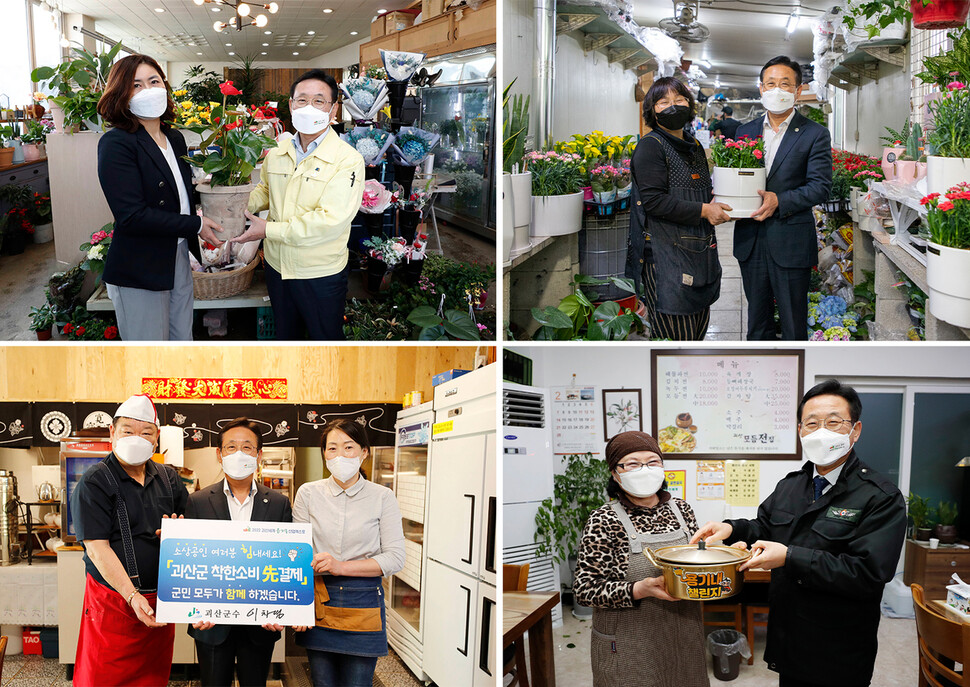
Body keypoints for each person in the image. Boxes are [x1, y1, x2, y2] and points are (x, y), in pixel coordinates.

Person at [691, 380, 907, 687]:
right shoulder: (791, 484)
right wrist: (732, 528)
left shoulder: (880, 496)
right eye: (812, 423)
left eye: (833, 422)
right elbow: (764, 527)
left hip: (839, 644)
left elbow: (870, 572)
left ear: (855, 431)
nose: (821, 432)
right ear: (800, 431)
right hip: (790, 634)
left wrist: (790, 557)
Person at [96, 54, 224, 341]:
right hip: (141, 263)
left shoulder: (173, 137)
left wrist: (201, 187)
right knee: (150, 352)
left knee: (181, 342)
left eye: (154, 81)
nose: (149, 90)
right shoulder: (117, 143)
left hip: (177, 254)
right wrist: (196, 225)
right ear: (121, 94)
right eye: (136, 85)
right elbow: (132, 215)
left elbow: (170, 189)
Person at [231, 69, 365, 340]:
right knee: (286, 338)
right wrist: (233, 203)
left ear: (333, 109)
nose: (309, 107)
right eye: (302, 100)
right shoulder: (278, 153)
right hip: (278, 268)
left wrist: (268, 230)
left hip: (319, 273)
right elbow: (265, 190)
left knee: (323, 342)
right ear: (291, 105)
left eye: (319, 101)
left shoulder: (346, 160)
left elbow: (330, 220)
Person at [574, 431, 709, 687]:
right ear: (615, 473)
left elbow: (696, 562)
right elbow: (584, 589)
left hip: (683, 631)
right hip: (629, 640)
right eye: (633, 463)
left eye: (653, 461)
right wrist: (640, 589)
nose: (645, 469)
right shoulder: (603, 519)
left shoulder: (682, 510)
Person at [71, 393, 189, 687]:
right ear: (112, 432)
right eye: (127, 431)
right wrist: (132, 595)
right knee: (104, 677)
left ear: (157, 437)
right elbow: (97, 549)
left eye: (146, 432)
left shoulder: (169, 478)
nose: (137, 438)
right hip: (114, 602)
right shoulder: (94, 481)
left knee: (153, 677)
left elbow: (189, 527)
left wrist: (178, 532)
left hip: (159, 600)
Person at [291, 418, 405, 686]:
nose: (339, 455)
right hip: (319, 599)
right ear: (324, 454)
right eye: (332, 448)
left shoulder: (382, 497)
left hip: (363, 602)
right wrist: (297, 607)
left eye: (348, 447)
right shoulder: (308, 493)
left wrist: (340, 566)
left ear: (364, 452)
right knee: (322, 681)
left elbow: (395, 557)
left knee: (357, 682)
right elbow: (297, 552)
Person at [185, 417, 293, 687]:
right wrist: (193, 608)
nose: (239, 454)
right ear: (220, 455)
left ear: (258, 456)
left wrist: (281, 610)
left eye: (247, 447)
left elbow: (285, 562)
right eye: (231, 447)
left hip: (261, 621)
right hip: (211, 622)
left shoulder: (279, 503)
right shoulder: (197, 501)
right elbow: (191, 561)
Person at [733, 56, 832, 340]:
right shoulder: (745, 132)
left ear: (798, 91)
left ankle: (795, 382)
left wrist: (780, 201)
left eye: (785, 84)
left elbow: (820, 187)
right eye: (771, 84)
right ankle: (759, 378)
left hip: (790, 241)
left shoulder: (815, 134)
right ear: (761, 88)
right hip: (750, 240)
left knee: (792, 321)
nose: (777, 90)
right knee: (757, 321)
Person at [631, 76, 732, 340]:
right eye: (664, 102)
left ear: (689, 104)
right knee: (675, 342)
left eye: (679, 99)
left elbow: (701, 190)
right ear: (652, 110)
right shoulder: (651, 147)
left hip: (698, 251)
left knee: (697, 331)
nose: (673, 106)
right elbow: (654, 202)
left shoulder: (694, 145)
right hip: (667, 257)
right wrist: (704, 211)